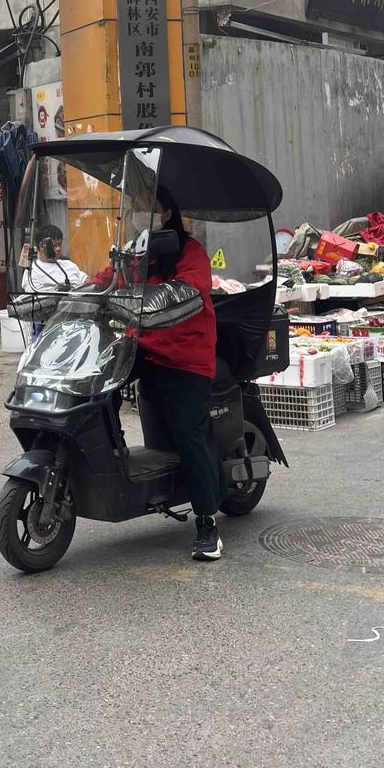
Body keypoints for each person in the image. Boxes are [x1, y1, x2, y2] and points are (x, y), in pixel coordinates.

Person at [129, 189, 223, 563]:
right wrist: (80, 293)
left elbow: (191, 288)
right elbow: (110, 278)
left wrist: (153, 299)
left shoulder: (191, 252)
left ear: (166, 213)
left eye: (145, 209)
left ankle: (206, 525)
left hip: (187, 356)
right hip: (148, 349)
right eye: (134, 209)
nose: (139, 215)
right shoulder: (140, 251)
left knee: (188, 430)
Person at [20, 225, 88, 293]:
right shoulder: (31, 272)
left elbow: (87, 283)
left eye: (60, 244)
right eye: (54, 245)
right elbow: (37, 298)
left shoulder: (69, 264)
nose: (58, 249)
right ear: (41, 246)